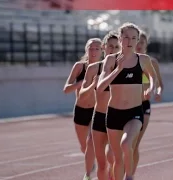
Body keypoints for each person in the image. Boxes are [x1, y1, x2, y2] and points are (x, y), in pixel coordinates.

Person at [97, 22, 158, 180]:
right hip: (114, 114)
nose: (129, 41)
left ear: (138, 40)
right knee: (117, 159)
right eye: (126, 37)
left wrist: (151, 88)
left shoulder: (143, 60)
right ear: (119, 39)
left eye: (133, 38)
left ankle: (129, 176)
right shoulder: (110, 60)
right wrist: (118, 69)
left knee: (126, 145)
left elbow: (153, 77)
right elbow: (100, 86)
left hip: (134, 112)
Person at [79, 31, 120, 180]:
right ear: (104, 47)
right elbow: (82, 95)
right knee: (102, 164)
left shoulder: (123, 69)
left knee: (113, 158)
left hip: (117, 117)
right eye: (110, 46)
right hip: (99, 117)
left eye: (116, 47)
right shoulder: (93, 69)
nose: (113, 50)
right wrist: (92, 86)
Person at [63, 38, 102, 180]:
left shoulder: (104, 67)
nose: (93, 51)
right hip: (80, 110)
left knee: (90, 143)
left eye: (97, 48)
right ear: (86, 50)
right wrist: (80, 83)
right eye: (91, 48)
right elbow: (66, 89)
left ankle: (89, 175)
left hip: (96, 110)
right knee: (83, 147)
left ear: (102, 51)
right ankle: (91, 164)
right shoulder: (79, 67)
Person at [133, 30, 164, 175]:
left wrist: (157, 92)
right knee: (123, 145)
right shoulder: (128, 61)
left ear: (146, 44)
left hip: (143, 106)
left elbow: (159, 84)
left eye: (142, 42)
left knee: (134, 144)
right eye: (137, 41)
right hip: (125, 105)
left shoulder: (152, 62)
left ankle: (129, 175)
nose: (139, 44)